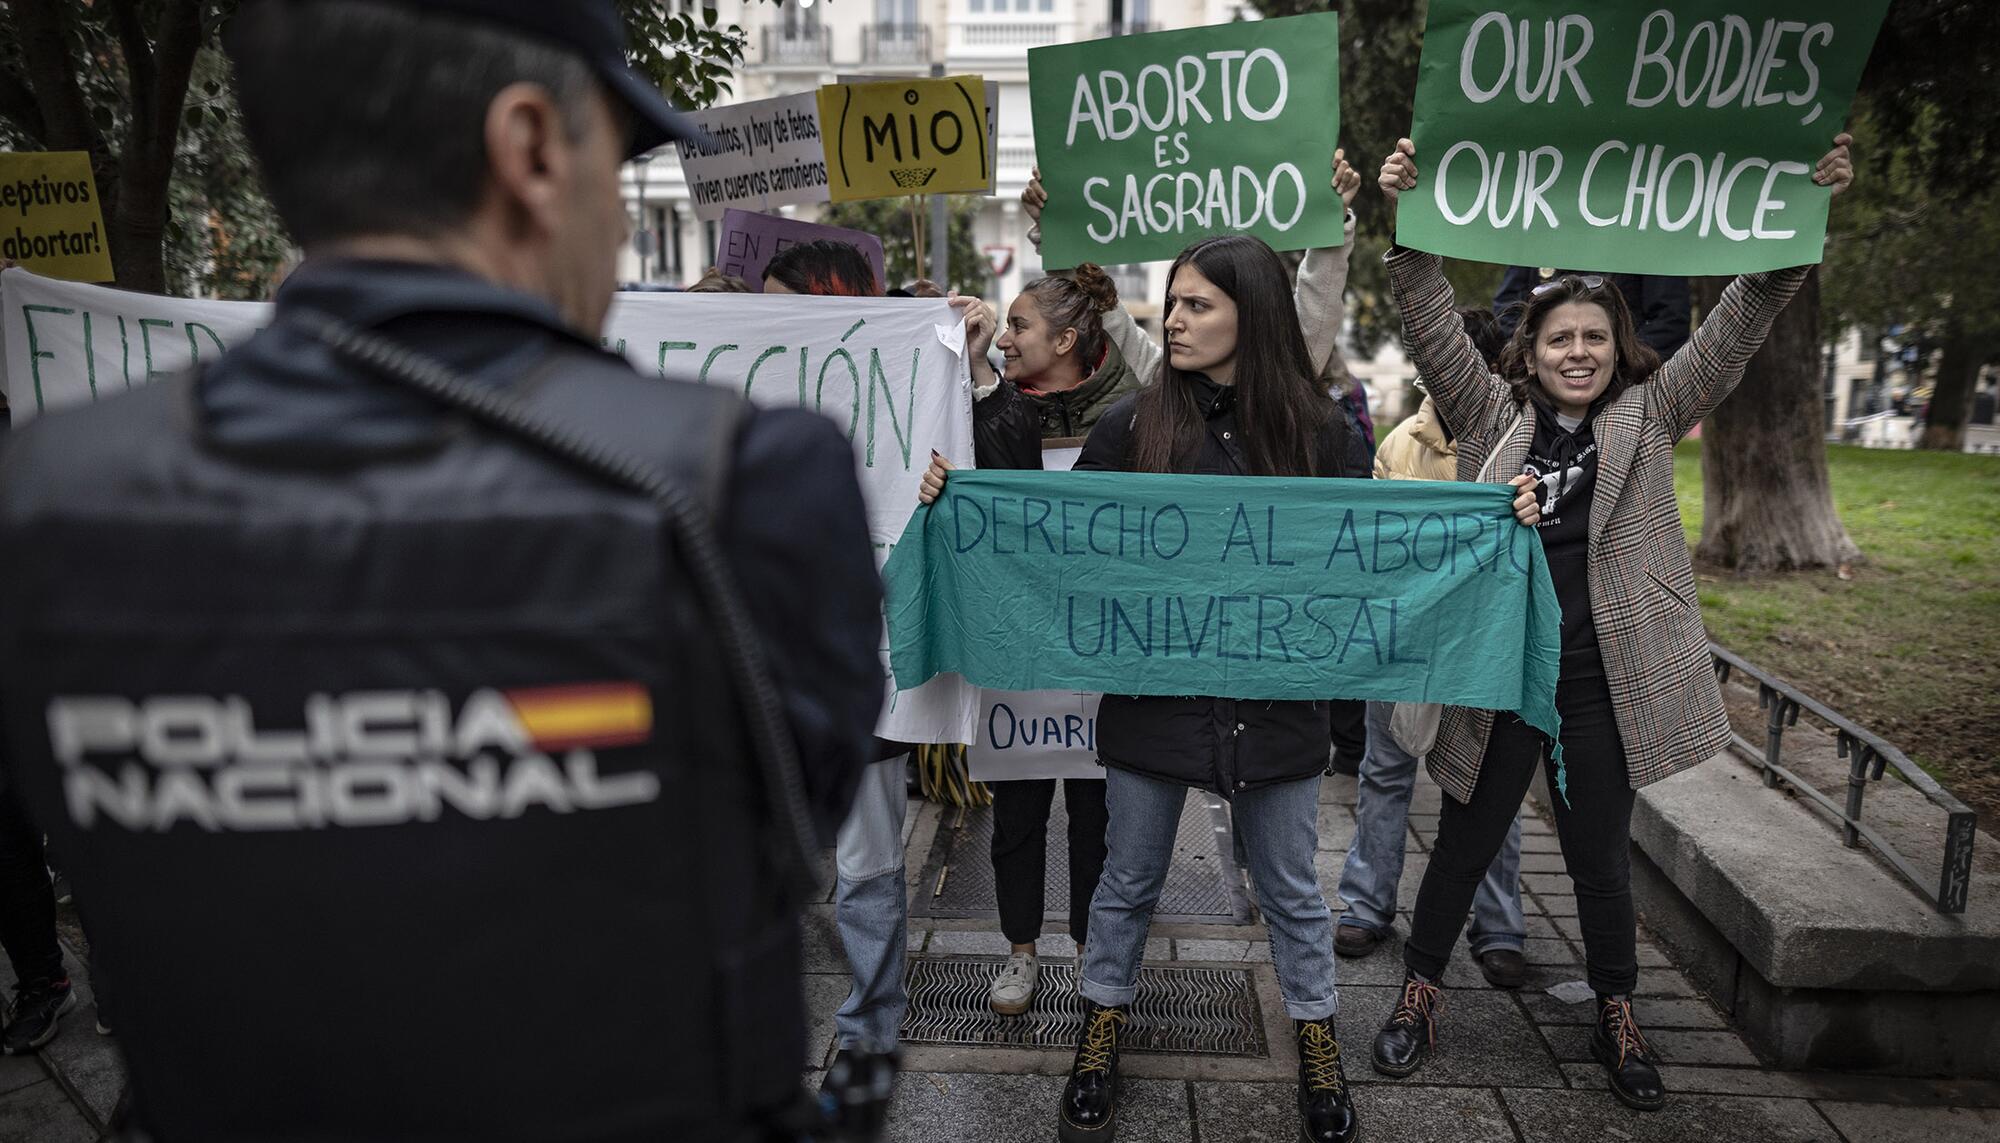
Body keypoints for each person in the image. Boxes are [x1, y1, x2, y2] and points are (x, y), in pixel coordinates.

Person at [0, 2, 885, 1140]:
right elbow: (789, 824)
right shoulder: (748, 477)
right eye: (612, 168)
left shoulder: (47, 492)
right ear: (527, 148)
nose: (612, 222)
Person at [1368, 133, 1855, 1112]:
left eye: (1594, 336)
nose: (1578, 352)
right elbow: (1422, 310)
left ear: (1614, 347)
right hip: (1500, 676)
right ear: (1532, 351)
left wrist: (1804, 215)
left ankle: (1617, 1012)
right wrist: (1406, 218)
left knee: (1597, 857)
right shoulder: (1482, 412)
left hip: (1597, 687)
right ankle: (1418, 994)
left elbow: (1739, 318)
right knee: (1462, 843)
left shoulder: (1649, 413)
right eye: (1560, 339)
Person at [757, 239, 914, 1097]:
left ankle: (868, 1030)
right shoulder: (740, 394)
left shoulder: (910, 387)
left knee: (868, 865)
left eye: (785, 303)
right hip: (759, 665)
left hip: (864, 669)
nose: (764, 320)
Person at [1334, 306, 1531, 988]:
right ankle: (1366, 903)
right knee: (1384, 773)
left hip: (1489, 649)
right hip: (1405, 641)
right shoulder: (1398, 448)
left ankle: (1498, 925)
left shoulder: (1523, 444)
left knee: (1489, 789)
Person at [1493, 268, 1692, 359]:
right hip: (1542, 389)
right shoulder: (1544, 224)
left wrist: (1615, 359)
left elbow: (1670, 320)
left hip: (1622, 391)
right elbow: (1507, 308)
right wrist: (1540, 353)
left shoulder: (1645, 227)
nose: (1578, 353)